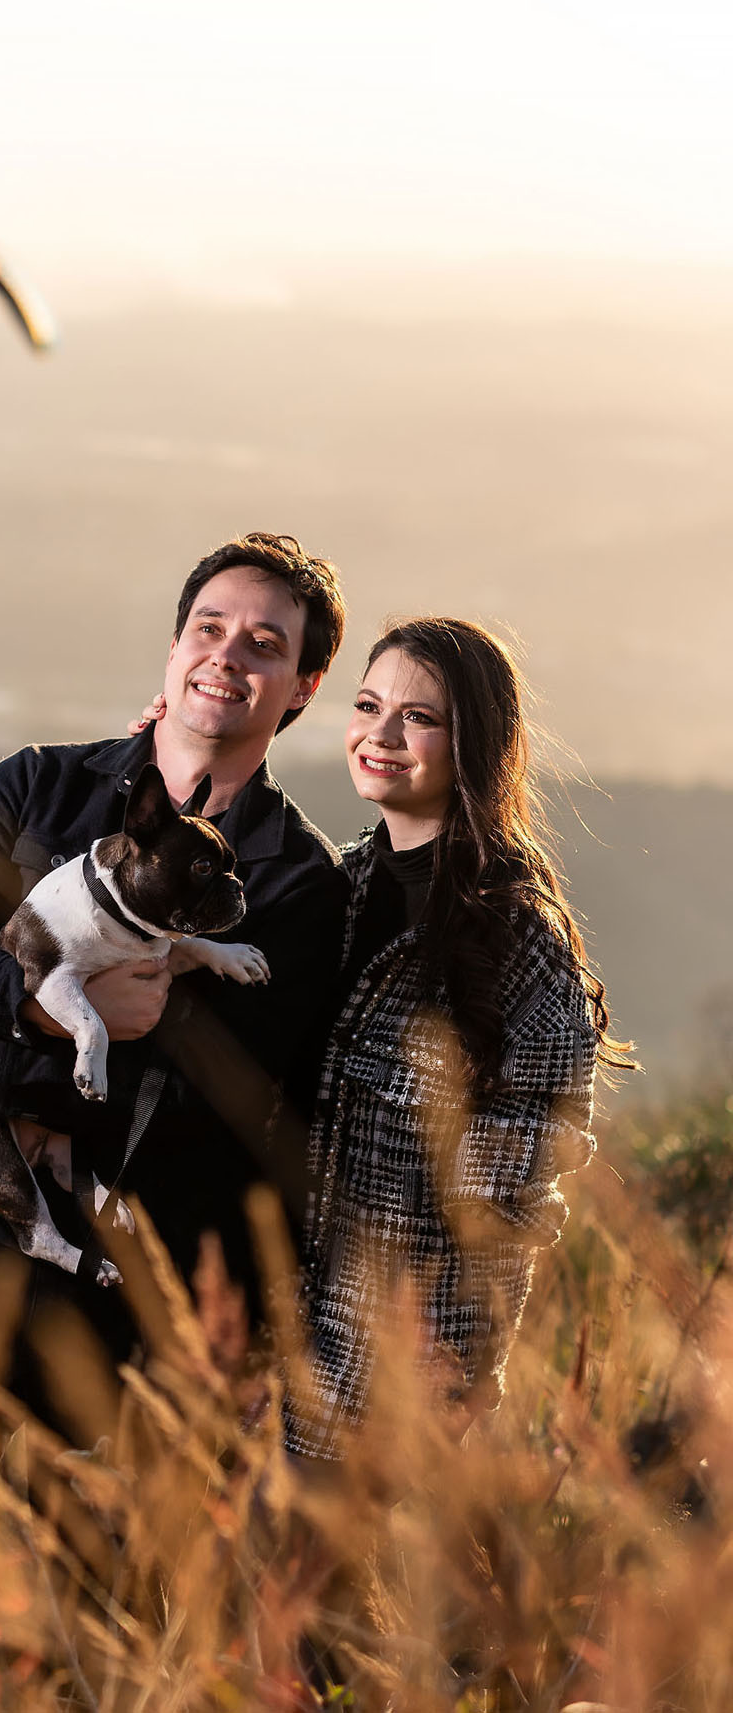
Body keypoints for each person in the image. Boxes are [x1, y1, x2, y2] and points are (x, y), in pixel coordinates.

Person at [0, 533, 348, 1423]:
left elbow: (215, 1101)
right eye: (208, 627)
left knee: (54, 1563)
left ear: (303, 687)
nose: (225, 656)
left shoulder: (299, 882)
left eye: (264, 645)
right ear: (175, 646)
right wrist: (35, 1006)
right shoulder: (41, 785)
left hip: (116, 1299)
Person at [286, 618, 632, 1460]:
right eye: (368, 705)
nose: (383, 734)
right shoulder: (334, 891)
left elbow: (510, 1207)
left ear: (475, 742)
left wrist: (457, 1373)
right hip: (269, 1343)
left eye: (421, 717)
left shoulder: (519, 947)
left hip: (392, 1366)